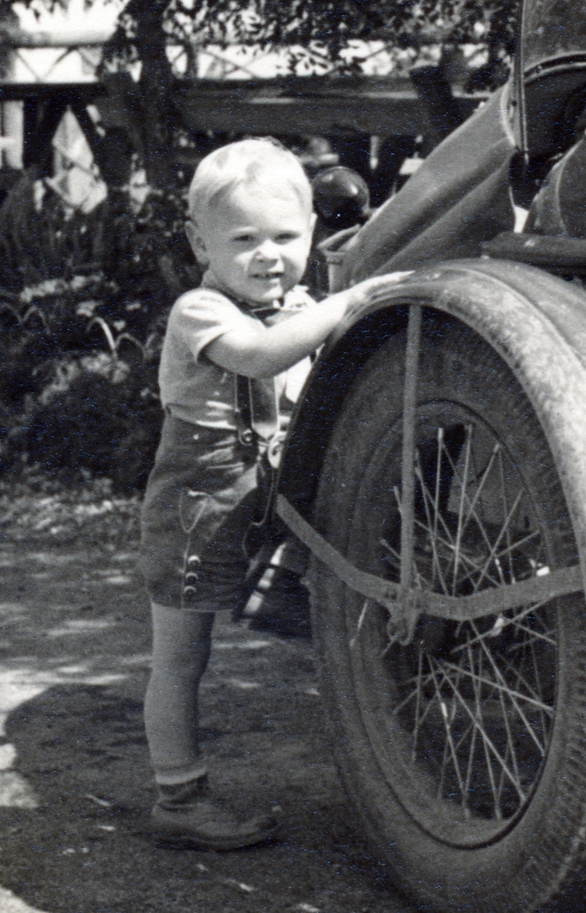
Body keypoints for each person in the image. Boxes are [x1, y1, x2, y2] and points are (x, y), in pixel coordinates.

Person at [138, 138, 404, 849]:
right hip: (199, 507)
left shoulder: (299, 308)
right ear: (202, 242)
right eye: (244, 239)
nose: (267, 255)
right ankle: (178, 796)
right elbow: (261, 356)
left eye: (286, 236)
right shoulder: (200, 310)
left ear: (313, 233)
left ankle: (399, 778)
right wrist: (350, 301)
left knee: (338, 614)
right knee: (181, 657)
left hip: (271, 499)